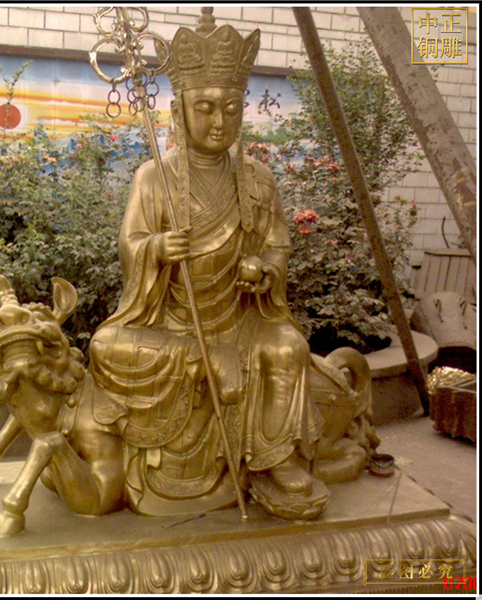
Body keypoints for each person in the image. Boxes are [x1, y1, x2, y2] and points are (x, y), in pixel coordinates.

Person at [86, 8, 327, 517]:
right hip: (174, 323)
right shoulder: (153, 177)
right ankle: (201, 363)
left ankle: (274, 458)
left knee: (288, 347)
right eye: (206, 108)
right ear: (180, 111)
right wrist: (155, 249)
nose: (220, 122)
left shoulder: (258, 178)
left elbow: (278, 244)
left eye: (231, 109)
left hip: (240, 320)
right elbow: (131, 243)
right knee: (105, 346)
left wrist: (263, 267)